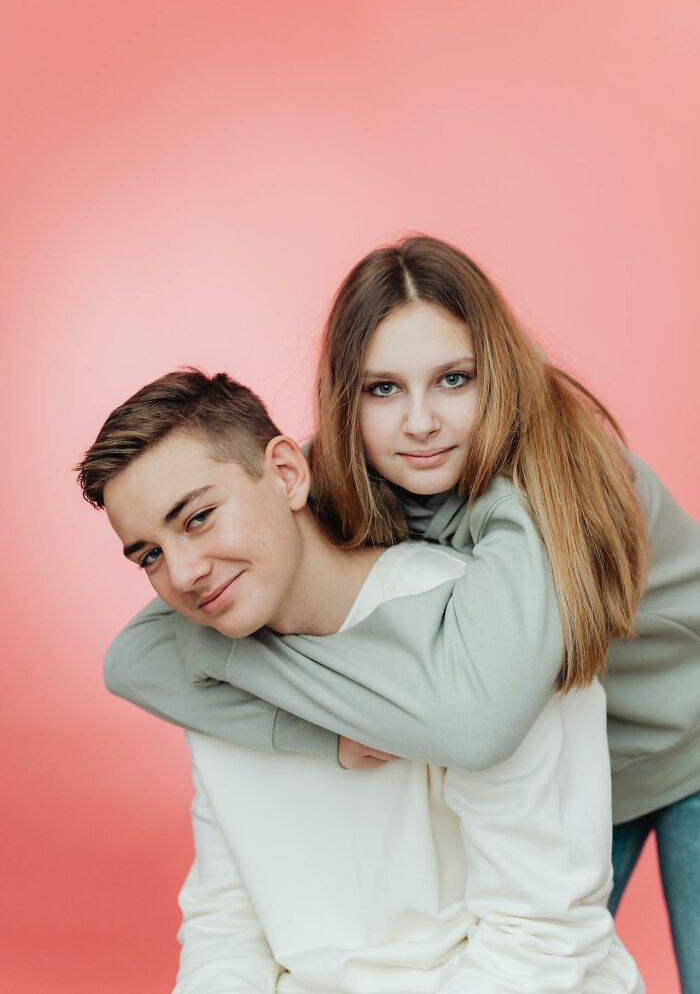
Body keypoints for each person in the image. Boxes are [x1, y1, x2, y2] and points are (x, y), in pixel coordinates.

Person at [100, 236, 700, 988]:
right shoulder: (327, 477)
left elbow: (477, 722)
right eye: (383, 389)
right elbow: (131, 661)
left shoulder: (552, 491)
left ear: (502, 376)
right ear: (347, 399)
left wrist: (241, 666)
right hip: (580, 765)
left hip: (686, 743)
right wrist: (316, 730)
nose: (420, 422)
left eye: (454, 379)